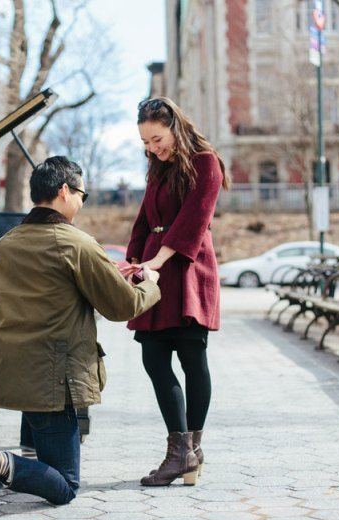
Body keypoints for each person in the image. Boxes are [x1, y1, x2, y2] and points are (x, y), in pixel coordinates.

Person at [0, 156, 161, 520]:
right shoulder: (76, 243)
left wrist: (102, 272)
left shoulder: (4, 245)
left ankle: (9, 463)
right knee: (66, 487)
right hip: (56, 376)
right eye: (81, 193)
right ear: (64, 191)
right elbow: (122, 306)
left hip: (15, 368)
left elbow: (47, 291)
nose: (82, 202)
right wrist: (150, 284)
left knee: (43, 448)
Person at [119, 97, 230, 487]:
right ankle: (183, 452)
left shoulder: (205, 162)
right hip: (154, 271)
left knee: (192, 358)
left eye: (157, 138)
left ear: (174, 127)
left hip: (189, 269)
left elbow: (194, 219)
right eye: (146, 142)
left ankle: (189, 449)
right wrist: (133, 261)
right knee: (153, 357)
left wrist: (158, 261)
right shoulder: (157, 170)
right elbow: (144, 219)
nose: (152, 148)